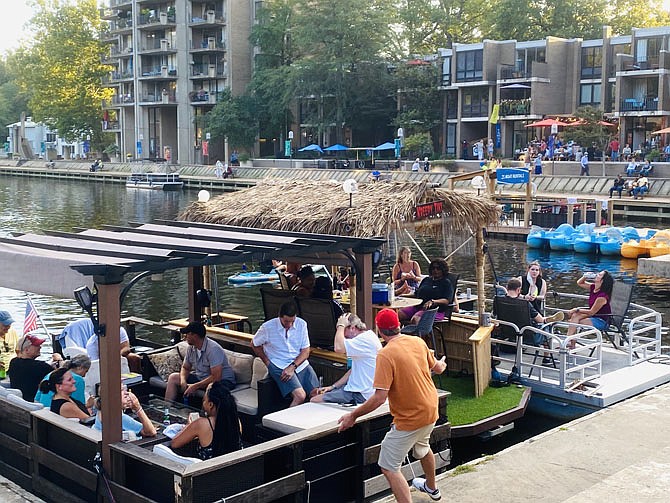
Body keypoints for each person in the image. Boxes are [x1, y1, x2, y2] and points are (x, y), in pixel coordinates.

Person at [337, 308, 447, 502]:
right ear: (399, 326)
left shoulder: (386, 354)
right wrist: (443, 364)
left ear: (380, 331)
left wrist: (352, 416)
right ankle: (432, 487)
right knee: (422, 446)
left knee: (388, 466)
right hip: (430, 409)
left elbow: (380, 397)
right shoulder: (418, 342)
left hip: (411, 418)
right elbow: (438, 367)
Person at [252, 301, 320, 407]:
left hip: (300, 364)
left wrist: (292, 367)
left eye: (292, 321)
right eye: (286, 321)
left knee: (317, 394)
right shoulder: (267, 327)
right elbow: (254, 344)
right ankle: (287, 421)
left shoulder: (302, 324)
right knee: (300, 396)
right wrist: (267, 362)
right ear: (280, 317)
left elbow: (305, 351)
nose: (289, 325)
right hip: (279, 364)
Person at [310, 313, 382, 405]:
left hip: (360, 394)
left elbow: (338, 348)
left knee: (314, 400)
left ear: (352, 328)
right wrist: (332, 387)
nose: (343, 336)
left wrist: (341, 325)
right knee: (315, 393)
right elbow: (353, 370)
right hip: (357, 390)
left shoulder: (363, 340)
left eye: (343, 331)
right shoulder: (367, 337)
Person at [165, 321, 236, 401]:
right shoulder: (191, 348)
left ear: (194, 336)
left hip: (224, 381)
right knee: (173, 377)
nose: (185, 337)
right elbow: (185, 367)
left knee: (211, 388)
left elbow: (216, 377)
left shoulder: (213, 349)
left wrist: (195, 386)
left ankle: (203, 413)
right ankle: (167, 408)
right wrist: (183, 380)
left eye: (187, 334)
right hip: (201, 378)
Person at [170, 381, 241, 459]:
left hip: (209, 468)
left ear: (211, 405)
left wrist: (189, 425)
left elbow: (175, 443)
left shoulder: (201, 424)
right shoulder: (236, 420)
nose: (203, 403)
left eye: (204, 400)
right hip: (234, 466)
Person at [503, 278, 563, 364]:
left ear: (506, 287)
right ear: (519, 290)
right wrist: (545, 320)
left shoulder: (498, 300)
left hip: (505, 333)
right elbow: (539, 320)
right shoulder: (525, 304)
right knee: (547, 327)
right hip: (528, 336)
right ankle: (546, 358)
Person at [398, 258, 453, 325]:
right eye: (433, 268)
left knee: (415, 319)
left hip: (434, 310)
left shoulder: (446, 283)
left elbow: (447, 300)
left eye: (438, 268)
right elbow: (416, 294)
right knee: (397, 315)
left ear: (443, 270)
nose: (435, 270)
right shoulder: (426, 280)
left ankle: (419, 335)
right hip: (418, 307)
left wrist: (433, 301)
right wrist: (400, 296)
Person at [566, 271, 613, 348]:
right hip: (594, 316)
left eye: (599, 275)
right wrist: (585, 276)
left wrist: (577, 309)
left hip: (602, 320)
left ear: (603, 280)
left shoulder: (602, 296)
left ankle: (567, 341)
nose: (597, 275)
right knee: (575, 317)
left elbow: (591, 312)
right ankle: (571, 344)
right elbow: (579, 283)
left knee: (574, 321)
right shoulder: (593, 287)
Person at [8, 334, 62, 400]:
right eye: (37, 345)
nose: (40, 347)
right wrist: (59, 360)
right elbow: (61, 375)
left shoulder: (14, 362)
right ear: (27, 350)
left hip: (20, 399)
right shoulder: (40, 366)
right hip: (34, 400)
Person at [0, 310, 18, 378]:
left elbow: (18, 351)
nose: (8, 327)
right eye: (5, 324)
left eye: (9, 324)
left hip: (13, 369)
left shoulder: (13, 332)